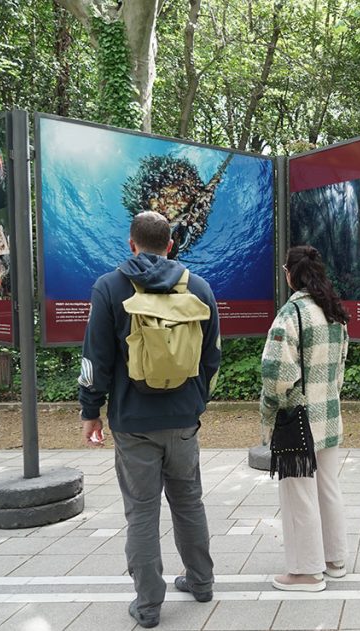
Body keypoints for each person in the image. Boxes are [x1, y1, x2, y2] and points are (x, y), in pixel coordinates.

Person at [79, 211, 220, 628]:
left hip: (132, 421)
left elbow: (96, 358)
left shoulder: (109, 288)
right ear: (172, 245)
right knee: (189, 502)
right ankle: (202, 581)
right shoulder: (199, 288)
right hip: (182, 422)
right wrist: (195, 403)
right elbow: (211, 358)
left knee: (141, 512)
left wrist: (91, 411)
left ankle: (148, 606)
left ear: (131, 243)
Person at [260, 245, 350, 592]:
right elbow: (339, 370)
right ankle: (334, 560)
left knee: (299, 494)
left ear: (290, 274)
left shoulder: (290, 314)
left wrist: (272, 409)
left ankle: (306, 572)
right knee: (328, 488)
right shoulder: (333, 313)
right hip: (328, 416)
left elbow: (276, 373)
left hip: (297, 421)